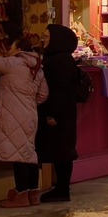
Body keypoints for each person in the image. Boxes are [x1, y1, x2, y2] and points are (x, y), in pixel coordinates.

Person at [0, 38, 49, 207]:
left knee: (17, 155)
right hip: (30, 114)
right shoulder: (37, 68)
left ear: (19, 49)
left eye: (12, 47)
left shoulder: (13, 63)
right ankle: (33, 193)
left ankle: (21, 194)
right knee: (28, 153)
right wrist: (28, 102)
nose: (10, 50)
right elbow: (43, 95)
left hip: (13, 114)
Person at [36, 25, 80, 203]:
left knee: (62, 150)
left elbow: (60, 89)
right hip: (62, 111)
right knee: (60, 149)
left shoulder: (61, 60)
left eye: (46, 36)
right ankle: (61, 188)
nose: (43, 39)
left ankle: (62, 188)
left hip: (60, 113)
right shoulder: (59, 58)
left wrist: (52, 113)